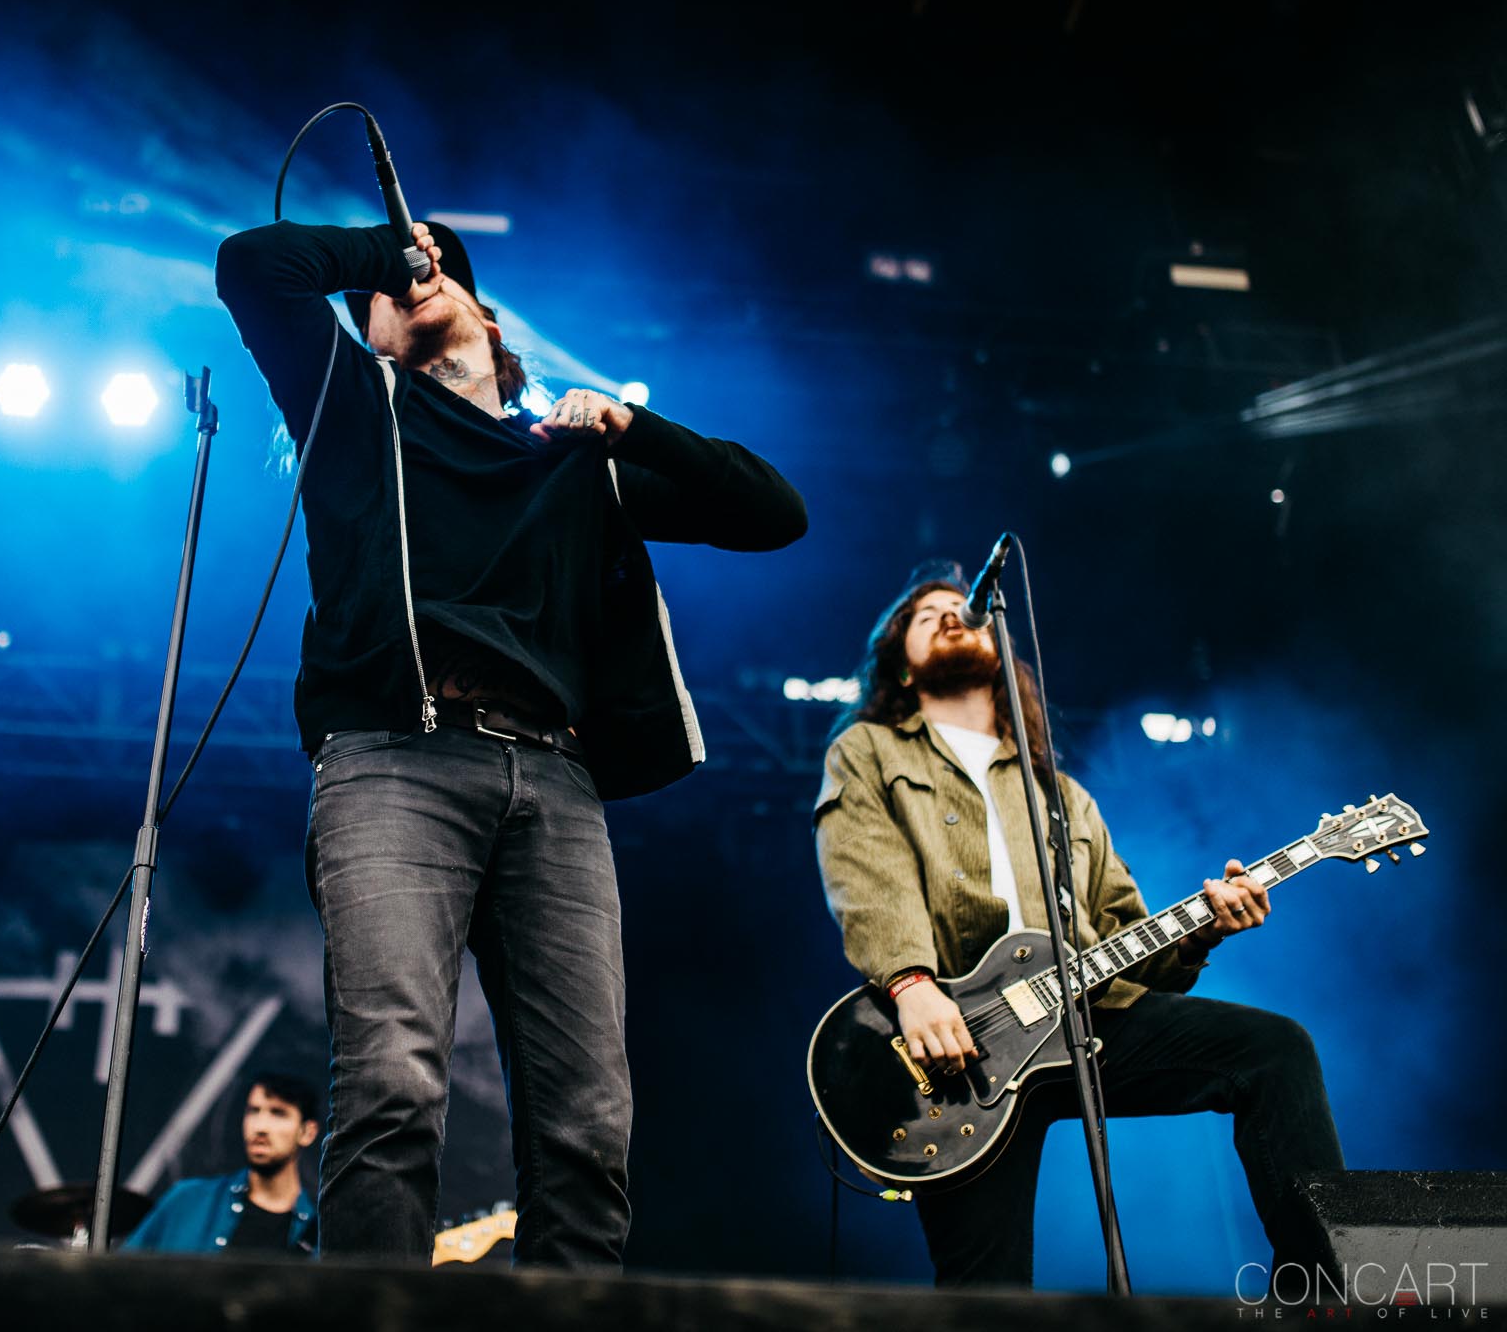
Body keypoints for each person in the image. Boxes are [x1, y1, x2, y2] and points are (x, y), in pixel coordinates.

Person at [213, 215, 807, 1266]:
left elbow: (774, 510)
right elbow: (251, 266)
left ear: (488, 315)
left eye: (441, 270)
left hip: (556, 782)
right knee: (393, 1081)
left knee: (586, 1117)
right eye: (391, 287)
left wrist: (631, 427)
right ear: (374, 332)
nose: (416, 279)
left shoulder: (580, 460)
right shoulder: (356, 409)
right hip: (396, 759)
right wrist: (389, 249)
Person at [812, 567, 1343, 1287]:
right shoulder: (870, 751)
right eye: (924, 615)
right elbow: (865, 872)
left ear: (999, 651)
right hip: (960, 1048)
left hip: (1089, 1020)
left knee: (1277, 1051)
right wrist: (912, 984)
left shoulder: (1061, 793)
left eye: (959, 610)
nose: (947, 616)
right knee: (986, 1290)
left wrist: (1201, 931)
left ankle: (1324, 1290)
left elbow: (1126, 927)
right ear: (901, 669)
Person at [122, 1074, 320, 1256]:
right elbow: (119, 1278)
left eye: (278, 1113)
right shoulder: (187, 1199)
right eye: (254, 1111)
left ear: (307, 1133)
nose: (260, 1127)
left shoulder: (320, 1231)